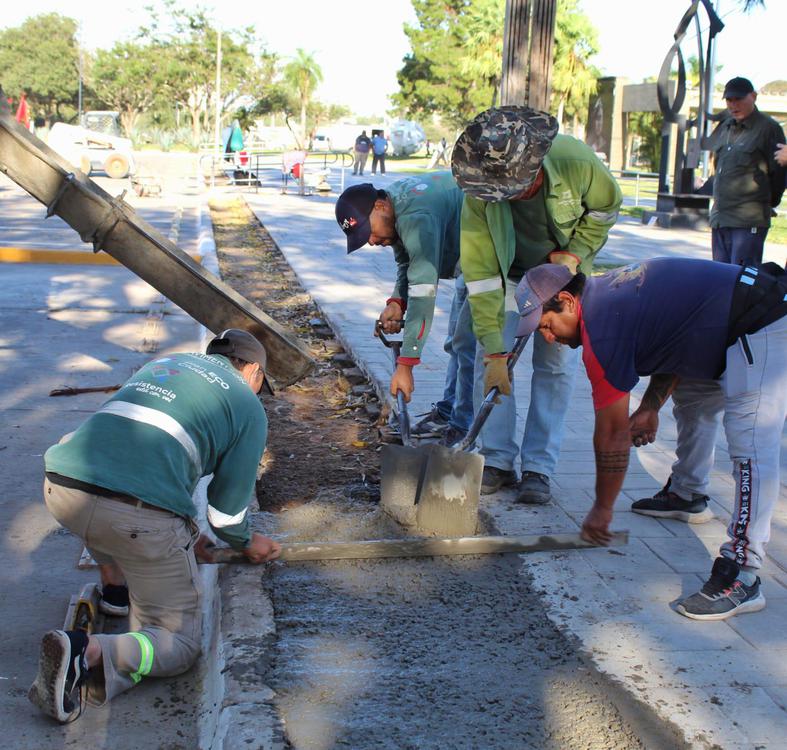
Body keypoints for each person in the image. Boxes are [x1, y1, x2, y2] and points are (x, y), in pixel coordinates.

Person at [28, 329, 281, 723]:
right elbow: (226, 514)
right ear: (253, 371)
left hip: (61, 487)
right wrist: (248, 541)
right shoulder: (247, 406)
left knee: (111, 512)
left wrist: (185, 535)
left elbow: (139, 452)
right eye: (261, 382)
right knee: (180, 644)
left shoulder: (166, 365)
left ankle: (115, 586)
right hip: (132, 516)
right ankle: (86, 652)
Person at [515, 259, 786, 620]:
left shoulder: (602, 329)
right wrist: (651, 406)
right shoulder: (606, 295)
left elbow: (611, 435)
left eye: (547, 325)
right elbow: (674, 337)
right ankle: (688, 495)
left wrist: (602, 509)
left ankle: (743, 572)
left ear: (566, 300)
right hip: (726, 321)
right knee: (695, 405)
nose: (549, 338)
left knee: (751, 444)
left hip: (761, 318)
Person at [452, 106, 621, 504]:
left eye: (516, 189)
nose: (509, 197)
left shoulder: (576, 161)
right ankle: (496, 460)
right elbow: (480, 278)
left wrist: (575, 253)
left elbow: (605, 209)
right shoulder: (479, 189)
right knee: (490, 364)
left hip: (566, 276)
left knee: (555, 366)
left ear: (534, 166)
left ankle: (538, 469)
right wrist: (495, 348)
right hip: (510, 275)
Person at [334, 175, 475, 444]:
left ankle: (462, 425)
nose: (372, 242)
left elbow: (423, 290)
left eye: (369, 232)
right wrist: (396, 303)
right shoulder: (394, 209)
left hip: (485, 258)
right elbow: (406, 264)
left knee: (467, 345)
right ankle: (449, 413)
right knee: (456, 343)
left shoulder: (416, 215)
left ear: (379, 207)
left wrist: (406, 364)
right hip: (467, 262)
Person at [706, 77, 785, 267]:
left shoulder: (768, 128)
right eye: (729, 100)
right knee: (720, 279)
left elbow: (780, 173)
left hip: (748, 220)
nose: (734, 105)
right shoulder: (726, 126)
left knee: (742, 282)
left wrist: (767, 202)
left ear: (753, 97)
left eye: (739, 99)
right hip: (720, 218)